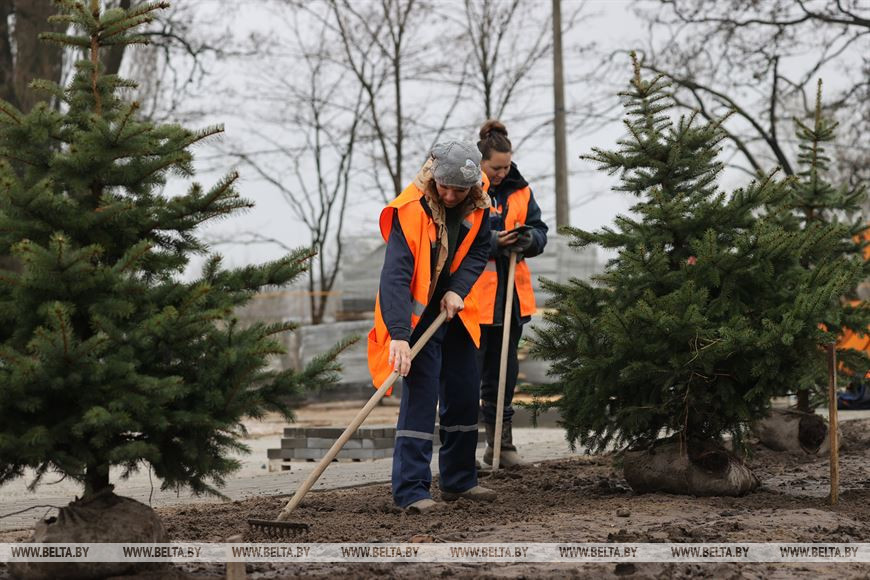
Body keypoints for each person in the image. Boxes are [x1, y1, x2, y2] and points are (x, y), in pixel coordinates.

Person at [367, 140, 497, 513]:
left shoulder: (479, 201)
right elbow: (395, 277)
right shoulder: (409, 210)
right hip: (417, 318)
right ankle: (411, 491)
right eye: (445, 187)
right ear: (434, 176)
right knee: (422, 400)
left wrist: (458, 289)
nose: (451, 196)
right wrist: (399, 336)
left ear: (473, 185)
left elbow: (479, 249)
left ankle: (459, 480)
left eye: (460, 190)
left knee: (464, 394)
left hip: (455, 311)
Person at [470, 120, 548, 467]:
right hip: (473, 303)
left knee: (503, 375)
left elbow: (540, 230)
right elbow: (459, 234)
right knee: (468, 378)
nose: (502, 173)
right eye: (495, 168)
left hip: (510, 302)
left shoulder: (521, 191)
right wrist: (493, 242)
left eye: (506, 167)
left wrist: (530, 240)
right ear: (481, 163)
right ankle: (462, 453)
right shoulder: (468, 189)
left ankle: (501, 446)